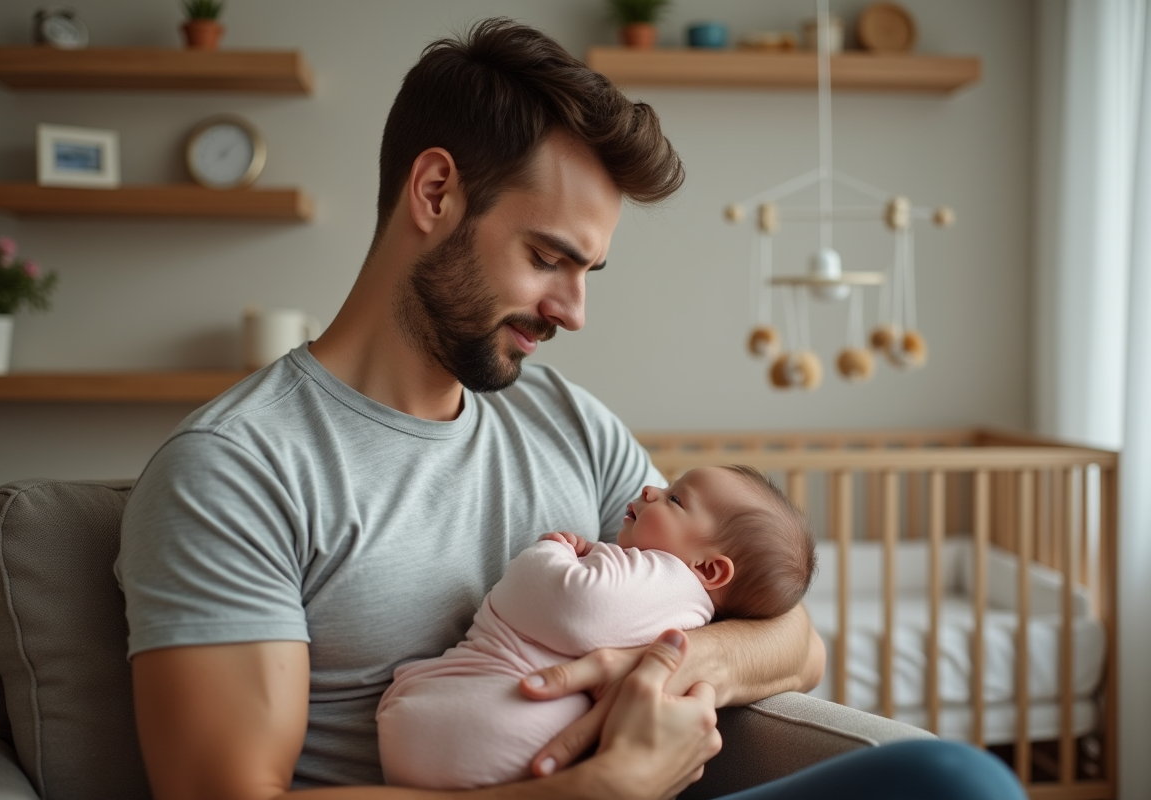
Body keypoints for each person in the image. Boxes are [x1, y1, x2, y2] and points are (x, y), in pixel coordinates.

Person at [117, 17, 1027, 800]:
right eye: (548, 258)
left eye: (588, 271)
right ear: (435, 194)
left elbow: (788, 635)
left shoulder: (564, 420)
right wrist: (591, 791)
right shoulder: (238, 468)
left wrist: (668, 662)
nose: (574, 311)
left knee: (958, 782)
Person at [377, 464, 817, 790]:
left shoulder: (671, 578)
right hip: (481, 736)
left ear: (708, 569)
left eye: (675, 500)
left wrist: (555, 551)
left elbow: (570, 602)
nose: (651, 489)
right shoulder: (678, 598)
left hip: (463, 727)